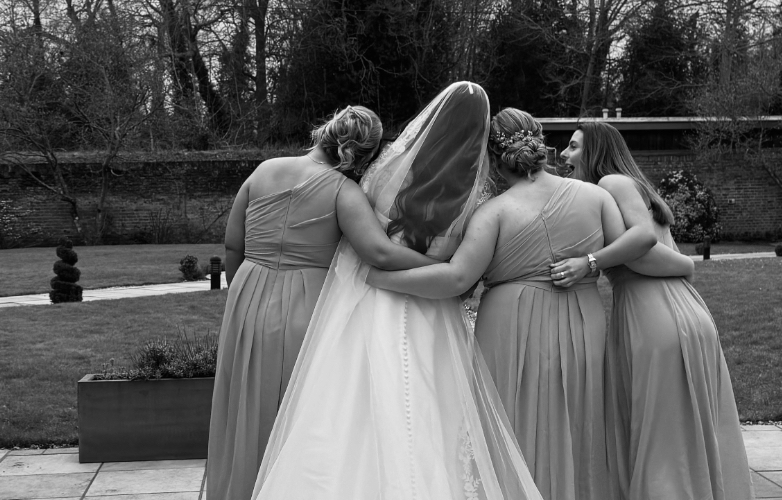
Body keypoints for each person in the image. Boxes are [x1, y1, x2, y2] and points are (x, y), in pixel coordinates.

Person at [367, 108, 695, 500]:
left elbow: (456, 279)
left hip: (509, 324)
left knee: (509, 423)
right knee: (578, 420)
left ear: (493, 158)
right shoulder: (596, 197)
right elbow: (639, 244)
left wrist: (382, 278)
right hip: (582, 321)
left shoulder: (493, 212)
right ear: (540, 145)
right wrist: (596, 262)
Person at [250, 82, 547, 500]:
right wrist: (444, 269)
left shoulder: (388, 166)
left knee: (347, 403)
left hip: (369, 297)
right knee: (428, 407)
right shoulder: (476, 193)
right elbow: (463, 270)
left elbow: (361, 238)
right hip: (432, 307)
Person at [206, 106, 439, 500]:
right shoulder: (342, 191)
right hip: (306, 304)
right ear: (364, 153)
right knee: (297, 411)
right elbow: (379, 253)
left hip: (246, 294)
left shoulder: (264, 170)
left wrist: (239, 294)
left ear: (326, 131)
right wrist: (439, 265)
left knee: (244, 401)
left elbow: (233, 244)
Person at [560, 121, 754, 499]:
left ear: (596, 152)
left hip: (655, 313)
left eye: (573, 146)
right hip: (670, 308)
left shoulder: (612, 182)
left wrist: (590, 262)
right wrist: (683, 265)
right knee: (677, 433)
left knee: (662, 441)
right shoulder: (614, 191)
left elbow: (644, 247)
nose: (565, 155)